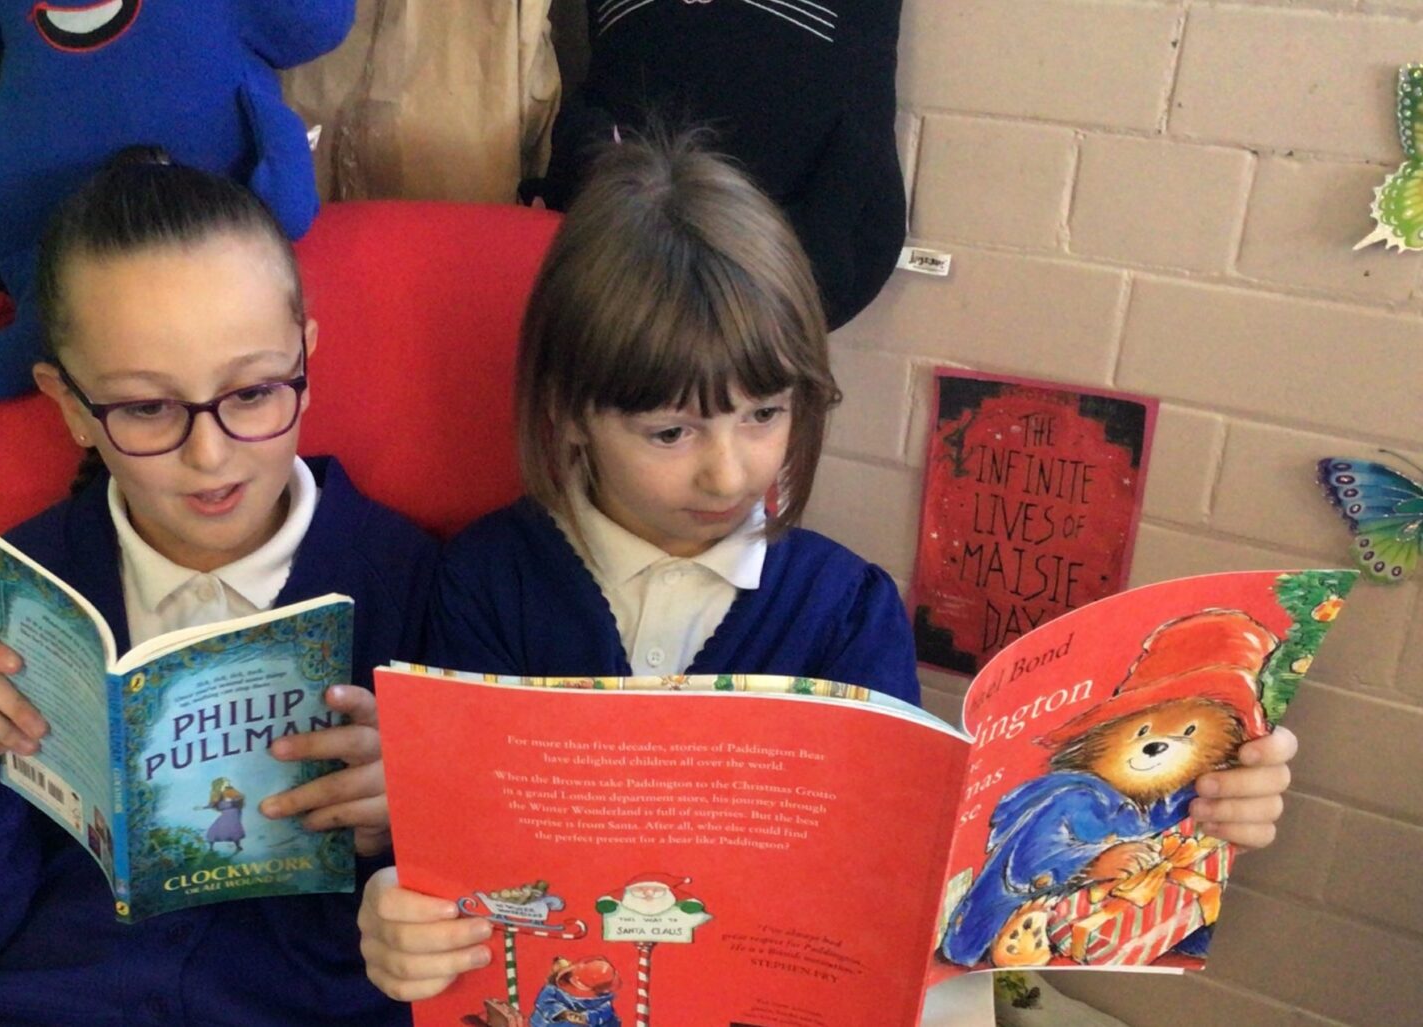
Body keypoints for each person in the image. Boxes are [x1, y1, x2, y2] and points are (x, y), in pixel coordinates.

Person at [356, 131, 1296, 1003]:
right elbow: (447, 858)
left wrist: (1194, 808)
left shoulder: (844, 607)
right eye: (671, 431)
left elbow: (903, 875)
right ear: (567, 412)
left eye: (764, 414)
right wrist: (400, 910)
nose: (730, 472)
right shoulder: (484, 581)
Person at [0, 147, 435, 1026]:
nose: (210, 453)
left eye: (253, 392)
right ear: (69, 405)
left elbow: (471, 925)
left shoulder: (417, 584)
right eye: (146, 407)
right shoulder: (14, 598)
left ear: (306, 362)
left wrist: (408, 819)